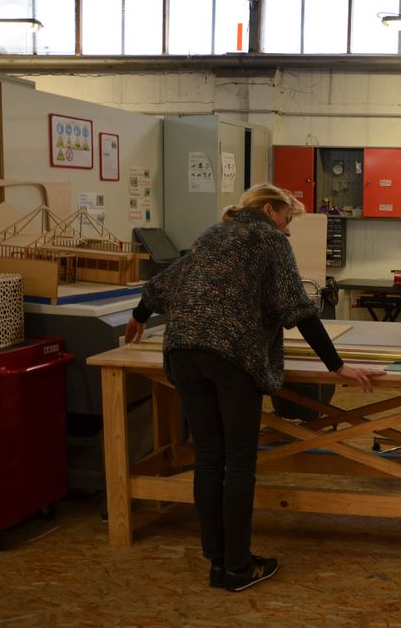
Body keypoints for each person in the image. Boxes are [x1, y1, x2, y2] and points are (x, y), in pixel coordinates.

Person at [125, 183, 384, 591]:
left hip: (183, 352)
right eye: (287, 219)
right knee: (239, 462)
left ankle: (218, 563)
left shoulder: (213, 233)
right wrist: (338, 366)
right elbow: (299, 309)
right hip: (232, 355)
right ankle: (239, 568)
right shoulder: (269, 239)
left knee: (209, 459)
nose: (289, 230)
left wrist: (139, 316)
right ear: (269, 210)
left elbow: (163, 284)